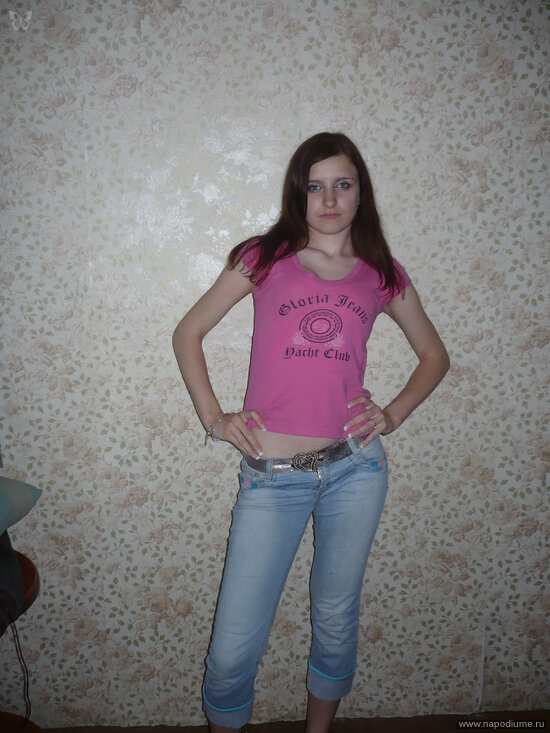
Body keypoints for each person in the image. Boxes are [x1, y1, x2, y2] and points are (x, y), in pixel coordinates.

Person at [172, 132, 450, 733]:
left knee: (336, 619)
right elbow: (188, 332)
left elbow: (434, 356)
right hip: (272, 478)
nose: (328, 200)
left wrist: (392, 414)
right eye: (315, 186)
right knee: (230, 653)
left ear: (360, 193)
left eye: (342, 185)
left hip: (355, 468)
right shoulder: (264, 257)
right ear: (298, 193)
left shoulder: (382, 274)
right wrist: (216, 419)